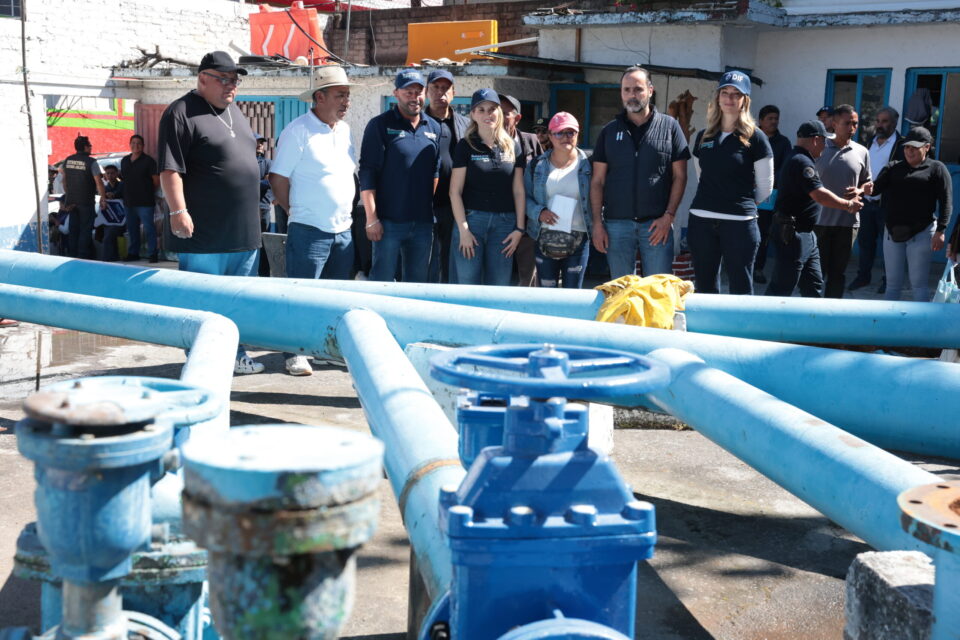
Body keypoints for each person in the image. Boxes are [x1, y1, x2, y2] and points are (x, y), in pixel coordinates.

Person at [157, 50, 265, 375]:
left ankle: (236, 354)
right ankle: (201, 360)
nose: (231, 85)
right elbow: (169, 169)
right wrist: (178, 210)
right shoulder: (180, 113)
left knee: (239, 304)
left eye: (234, 80)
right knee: (203, 301)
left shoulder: (236, 112)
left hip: (244, 234)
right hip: (205, 233)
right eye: (223, 79)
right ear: (203, 78)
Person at [269, 65, 358, 377]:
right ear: (319, 97)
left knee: (334, 297)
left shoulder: (344, 131)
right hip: (309, 229)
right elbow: (277, 177)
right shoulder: (297, 131)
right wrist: (293, 211)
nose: (346, 101)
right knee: (301, 295)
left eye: (347, 95)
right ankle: (294, 353)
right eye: (339, 95)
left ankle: (322, 350)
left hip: (343, 229)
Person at [591, 66, 690, 280]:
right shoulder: (609, 132)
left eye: (638, 89)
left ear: (650, 90)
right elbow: (597, 181)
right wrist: (597, 224)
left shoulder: (670, 127)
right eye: (626, 90)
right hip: (616, 226)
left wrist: (669, 216)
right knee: (622, 292)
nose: (632, 95)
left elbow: (680, 177)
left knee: (657, 290)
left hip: (656, 225)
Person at [687, 70, 773, 294]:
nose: (729, 98)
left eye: (736, 94)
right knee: (704, 287)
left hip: (740, 223)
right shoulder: (704, 136)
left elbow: (765, 186)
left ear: (745, 100)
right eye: (725, 92)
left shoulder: (756, 137)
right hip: (702, 220)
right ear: (718, 97)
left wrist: (739, 203)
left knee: (741, 287)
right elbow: (702, 176)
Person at [359, 69, 441, 283]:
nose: (414, 96)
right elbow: (367, 173)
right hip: (388, 223)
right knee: (382, 281)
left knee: (417, 284)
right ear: (396, 93)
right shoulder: (379, 125)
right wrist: (371, 218)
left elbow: (435, 172)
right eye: (408, 92)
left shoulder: (433, 127)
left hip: (423, 224)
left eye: (419, 91)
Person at [765, 121, 863, 298]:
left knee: (813, 283)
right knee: (783, 285)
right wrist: (848, 205)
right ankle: (764, 323)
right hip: (792, 233)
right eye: (824, 141)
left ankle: (812, 323)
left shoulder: (800, 158)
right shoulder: (801, 161)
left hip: (806, 233)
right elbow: (820, 195)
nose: (825, 146)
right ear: (816, 140)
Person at [449, 89, 526, 285]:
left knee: (499, 286)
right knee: (467, 285)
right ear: (473, 114)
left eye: (492, 109)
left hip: (504, 226)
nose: (487, 114)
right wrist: (463, 230)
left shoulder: (513, 146)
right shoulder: (465, 146)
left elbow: (518, 191)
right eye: (481, 110)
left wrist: (519, 228)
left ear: (499, 113)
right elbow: (454, 192)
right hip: (472, 222)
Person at [867, 127, 952, 302]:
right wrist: (861, 187)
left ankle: (922, 327)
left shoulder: (937, 168)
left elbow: (946, 202)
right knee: (892, 286)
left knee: (919, 285)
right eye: (907, 147)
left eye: (914, 147)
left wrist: (941, 230)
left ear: (927, 147)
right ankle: (889, 327)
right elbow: (874, 190)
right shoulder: (893, 167)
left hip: (922, 233)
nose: (909, 151)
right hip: (892, 233)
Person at [524, 112, 592, 288]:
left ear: (578, 134)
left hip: (579, 239)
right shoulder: (536, 166)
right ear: (550, 135)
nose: (565, 137)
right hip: (545, 237)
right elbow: (524, 197)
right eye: (559, 133)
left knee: (573, 295)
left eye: (571, 132)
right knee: (547, 295)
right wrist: (539, 213)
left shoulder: (589, 166)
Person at [814, 104, 872, 298]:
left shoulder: (862, 151)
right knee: (816, 273)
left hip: (848, 223)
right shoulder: (820, 148)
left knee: (838, 273)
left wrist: (860, 189)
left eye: (855, 124)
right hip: (820, 221)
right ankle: (812, 312)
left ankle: (832, 311)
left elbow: (868, 183)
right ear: (834, 123)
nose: (852, 128)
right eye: (847, 123)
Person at [849, 106, 906, 292]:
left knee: (889, 247)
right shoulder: (868, 142)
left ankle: (888, 281)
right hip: (866, 203)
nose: (880, 125)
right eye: (878, 121)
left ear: (894, 123)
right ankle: (863, 277)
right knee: (865, 243)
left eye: (885, 121)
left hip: (886, 205)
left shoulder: (901, 145)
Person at [425, 69, 469, 284]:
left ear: (453, 93)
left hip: (455, 205)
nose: (440, 92)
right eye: (435, 87)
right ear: (427, 91)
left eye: (446, 88)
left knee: (451, 261)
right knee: (427, 262)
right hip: (425, 205)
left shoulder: (465, 124)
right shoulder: (418, 122)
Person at [499, 93, 543, 287]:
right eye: (496, 111)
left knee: (528, 277)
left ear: (517, 118)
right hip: (499, 219)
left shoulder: (531, 141)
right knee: (500, 274)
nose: (499, 117)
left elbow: (543, 175)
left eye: (505, 113)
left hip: (527, 219)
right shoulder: (484, 141)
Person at [753, 104, 792, 284]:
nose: (774, 122)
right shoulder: (750, 137)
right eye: (770, 118)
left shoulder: (783, 143)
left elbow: (785, 169)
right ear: (761, 120)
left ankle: (758, 268)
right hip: (747, 193)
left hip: (770, 196)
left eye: (776, 118)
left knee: (763, 233)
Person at [61, 134, 107, 259]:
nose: (91, 148)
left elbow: (64, 182)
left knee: (73, 230)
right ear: (86, 147)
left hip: (71, 202)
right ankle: (83, 257)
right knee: (85, 231)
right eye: (90, 146)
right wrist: (103, 198)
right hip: (86, 202)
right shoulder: (92, 162)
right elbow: (99, 182)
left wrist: (68, 196)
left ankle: (72, 255)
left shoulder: (68, 160)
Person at [120, 134, 160, 263]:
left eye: (138, 143)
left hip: (145, 202)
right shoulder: (125, 160)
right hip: (129, 201)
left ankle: (153, 253)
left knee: (149, 229)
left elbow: (156, 181)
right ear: (130, 144)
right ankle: (133, 253)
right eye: (133, 143)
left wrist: (146, 191)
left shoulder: (149, 161)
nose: (135, 145)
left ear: (143, 146)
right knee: (132, 229)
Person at [98, 165, 126, 262]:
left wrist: (114, 195)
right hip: (109, 220)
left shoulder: (123, 185)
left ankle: (108, 259)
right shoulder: (104, 188)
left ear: (117, 173)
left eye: (112, 173)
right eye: (108, 173)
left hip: (122, 220)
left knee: (110, 234)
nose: (110, 175)